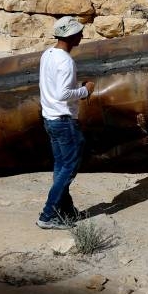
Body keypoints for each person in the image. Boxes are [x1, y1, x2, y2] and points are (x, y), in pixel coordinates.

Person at [36, 16, 95, 229]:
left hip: (50, 118)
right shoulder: (66, 61)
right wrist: (85, 90)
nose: (82, 35)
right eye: (78, 33)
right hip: (64, 121)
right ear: (70, 36)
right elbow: (63, 94)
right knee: (68, 168)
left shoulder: (48, 55)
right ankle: (47, 215)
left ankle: (66, 211)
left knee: (61, 167)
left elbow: (52, 87)